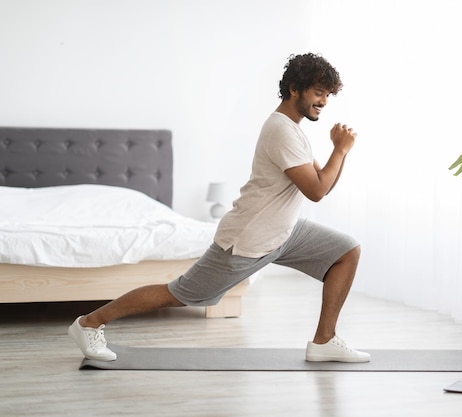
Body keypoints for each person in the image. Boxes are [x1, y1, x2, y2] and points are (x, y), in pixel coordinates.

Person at [68, 52, 370, 363]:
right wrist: (340, 149)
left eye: (327, 95)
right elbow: (317, 191)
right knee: (179, 293)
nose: (324, 101)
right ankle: (88, 323)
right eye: (318, 92)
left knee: (346, 251)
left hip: (284, 231)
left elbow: (323, 181)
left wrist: (341, 155)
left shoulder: (294, 131)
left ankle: (325, 339)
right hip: (248, 240)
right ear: (295, 88)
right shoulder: (280, 130)